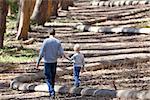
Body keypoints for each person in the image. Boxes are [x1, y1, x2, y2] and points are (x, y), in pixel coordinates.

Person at [36, 29, 64, 98]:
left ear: (49, 34)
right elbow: (61, 53)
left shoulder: (46, 41)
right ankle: (52, 90)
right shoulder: (57, 42)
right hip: (54, 61)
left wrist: (38, 62)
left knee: (48, 77)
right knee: (53, 76)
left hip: (47, 62)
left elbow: (41, 52)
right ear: (55, 34)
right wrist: (59, 56)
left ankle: (51, 91)